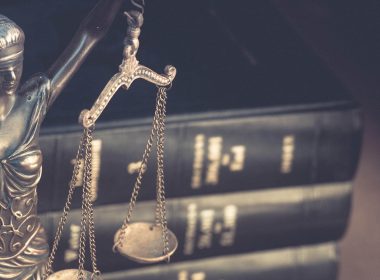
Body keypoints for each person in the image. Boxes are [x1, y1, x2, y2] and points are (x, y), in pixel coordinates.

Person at [0, 1, 123, 279]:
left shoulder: (31, 104)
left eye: (16, 65)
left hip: (30, 249)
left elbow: (88, 35)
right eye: (1, 69)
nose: (10, 77)